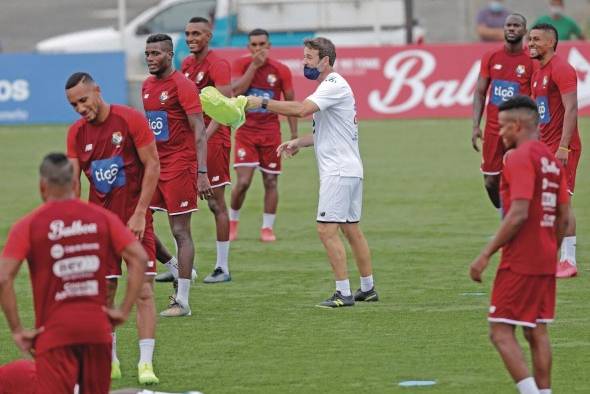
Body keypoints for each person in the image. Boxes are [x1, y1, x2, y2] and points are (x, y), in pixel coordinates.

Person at [246, 37, 377, 308]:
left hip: (338, 172)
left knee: (325, 230)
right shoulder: (331, 87)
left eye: (308, 57)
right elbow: (326, 132)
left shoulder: (332, 84)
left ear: (325, 60)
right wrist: (298, 143)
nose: (304, 62)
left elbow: (301, 109)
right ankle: (368, 288)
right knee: (351, 230)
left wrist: (263, 102)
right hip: (349, 169)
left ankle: (343, 293)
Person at [0, 153, 147, 394]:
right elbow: (139, 257)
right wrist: (123, 309)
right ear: (75, 184)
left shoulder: (29, 225)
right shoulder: (102, 218)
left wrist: (17, 330)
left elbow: (4, 277)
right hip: (97, 331)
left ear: (42, 186)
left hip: (55, 335)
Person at [469, 96, 570, 394]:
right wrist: (551, 250)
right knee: (536, 330)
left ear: (516, 125)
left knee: (500, 331)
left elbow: (518, 213)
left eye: (501, 127)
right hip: (545, 257)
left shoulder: (519, 157)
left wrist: (485, 254)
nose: (498, 133)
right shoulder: (550, 160)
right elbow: (566, 219)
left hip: (521, 260)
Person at [65, 72, 161, 384]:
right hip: (99, 226)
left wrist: (140, 212)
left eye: (83, 100)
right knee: (106, 290)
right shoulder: (76, 134)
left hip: (135, 220)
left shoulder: (129, 119)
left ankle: (146, 364)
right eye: (74, 104)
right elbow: (72, 183)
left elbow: (153, 164)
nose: (80, 108)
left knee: (144, 289)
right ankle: (111, 359)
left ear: (97, 90)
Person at [142, 33, 212, 316]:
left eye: (156, 53)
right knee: (139, 220)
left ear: (170, 55)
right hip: (155, 166)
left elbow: (199, 131)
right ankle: (175, 266)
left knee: (180, 231)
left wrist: (202, 173)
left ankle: (182, 301)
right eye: (147, 53)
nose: (150, 58)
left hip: (181, 166)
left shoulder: (182, 86)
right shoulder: (147, 85)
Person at [230, 28, 298, 243]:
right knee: (242, 182)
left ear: (269, 46)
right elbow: (236, 91)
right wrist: (254, 66)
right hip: (246, 133)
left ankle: (267, 228)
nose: (258, 48)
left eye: (262, 44)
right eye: (254, 45)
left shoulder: (281, 70)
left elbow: (290, 104)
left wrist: (295, 137)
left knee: (270, 181)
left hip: (270, 134)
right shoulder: (241, 65)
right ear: (249, 47)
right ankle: (233, 223)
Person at [180, 16, 233, 283]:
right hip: (191, 142)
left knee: (215, 203)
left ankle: (222, 267)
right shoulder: (187, 64)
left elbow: (225, 110)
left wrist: (201, 138)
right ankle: (181, 265)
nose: (191, 38)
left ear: (209, 36)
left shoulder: (218, 65)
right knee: (177, 203)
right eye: (188, 34)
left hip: (214, 141)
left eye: (197, 34)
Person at [529, 23, 582, 278]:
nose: (530, 43)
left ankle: (569, 261)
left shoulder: (562, 69)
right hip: (544, 147)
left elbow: (571, 109)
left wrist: (563, 147)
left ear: (551, 42)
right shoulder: (537, 71)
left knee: (562, 202)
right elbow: (539, 113)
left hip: (562, 147)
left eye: (536, 39)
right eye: (530, 39)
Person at [472, 14, 534, 211]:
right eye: (508, 25)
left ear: (524, 31)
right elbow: (480, 92)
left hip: (520, 130)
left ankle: (523, 222)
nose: (511, 29)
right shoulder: (491, 56)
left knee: (520, 177)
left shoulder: (531, 61)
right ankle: (506, 218)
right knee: (491, 181)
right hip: (493, 130)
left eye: (516, 25)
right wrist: (475, 125)